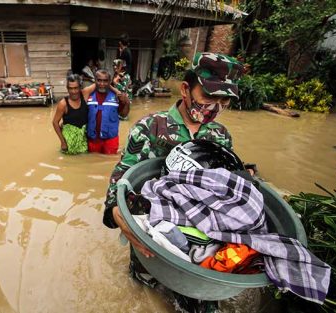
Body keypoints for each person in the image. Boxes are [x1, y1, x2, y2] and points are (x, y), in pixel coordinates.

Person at [102, 52, 244, 311]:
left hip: (199, 232)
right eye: (209, 96)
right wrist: (114, 209)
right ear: (185, 89)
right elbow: (123, 175)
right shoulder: (151, 128)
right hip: (153, 232)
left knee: (199, 298)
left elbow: (226, 184)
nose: (215, 106)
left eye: (224, 100)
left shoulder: (220, 135)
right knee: (143, 291)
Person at [87, 69, 130, 154]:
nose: (102, 84)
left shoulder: (117, 96)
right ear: (95, 80)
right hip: (93, 140)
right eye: (99, 80)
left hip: (111, 140)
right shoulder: (88, 95)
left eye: (105, 81)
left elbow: (124, 114)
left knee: (109, 161)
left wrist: (126, 102)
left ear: (110, 82)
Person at [52, 73, 89, 155]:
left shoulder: (85, 94)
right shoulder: (63, 104)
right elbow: (55, 122)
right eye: (70, 88)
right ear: (67, 88)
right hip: (69, 141)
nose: (73, 91)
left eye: (76, 88)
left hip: (84, 138)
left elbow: (99, 84)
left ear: (80, 87)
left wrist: (117, 92)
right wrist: (63, 142)